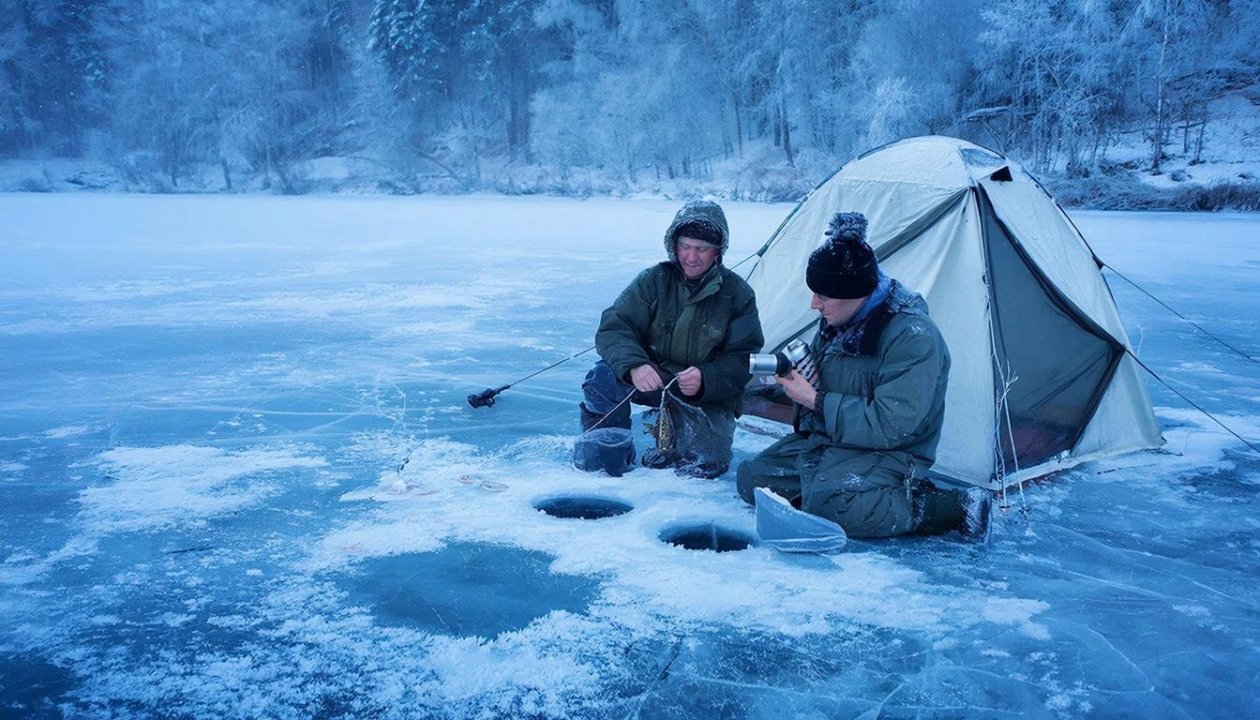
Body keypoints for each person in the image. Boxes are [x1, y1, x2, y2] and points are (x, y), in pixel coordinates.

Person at [735, 211, 990, 539]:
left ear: (856, 293)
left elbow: (893, 426)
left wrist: (814, 400)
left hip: (891, 451)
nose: (814, 305)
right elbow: (826, 384)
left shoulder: (913, 336)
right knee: (753, 480)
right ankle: (831, 489)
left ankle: (953, 506)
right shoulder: (838, 321)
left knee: (835, 507)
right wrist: (784, 387)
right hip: (833, 439)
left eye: (823, 296)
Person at [579, 200, 764, 478]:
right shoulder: (653, 280)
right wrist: (635, 365)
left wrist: (706, 378)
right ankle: (608, 462)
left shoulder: (738, 294)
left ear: (718, 252)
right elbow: (614, 328)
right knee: (603, 378)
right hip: (654, 378)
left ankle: (682, 429)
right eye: (685, 246)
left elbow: (744, 359)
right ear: (674, 246)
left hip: (705, 395)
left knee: (704, 466)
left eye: (702, 249)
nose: (691, 257)